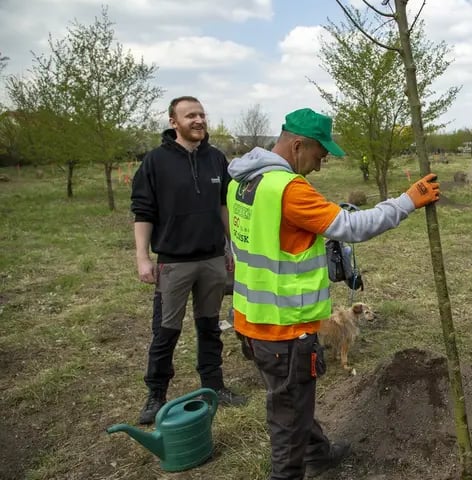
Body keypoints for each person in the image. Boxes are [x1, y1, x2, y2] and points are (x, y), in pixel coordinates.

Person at [227, 107, 440, 480]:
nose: (320, 166)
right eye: (319, 155)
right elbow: (352, 226)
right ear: (298, 145)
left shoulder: (242, 183)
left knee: (291, 399)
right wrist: (408, 201)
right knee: (287, 419)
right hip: (285, 329)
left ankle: (319, 454)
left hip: (252, 320)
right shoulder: (288, 190)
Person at [131, 96, 247, 426]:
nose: (198, 120)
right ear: (173, 122)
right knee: (165, 331)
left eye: (201, 114)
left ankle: (214, 387)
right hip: (174, 262)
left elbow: (225, 206)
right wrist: (143, 258)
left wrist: (232, 248)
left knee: (210, 327)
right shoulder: (155, 162)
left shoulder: (215, 159)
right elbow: (143, 212)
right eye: (190, 115)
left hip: (212, 259)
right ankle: (156, 395)